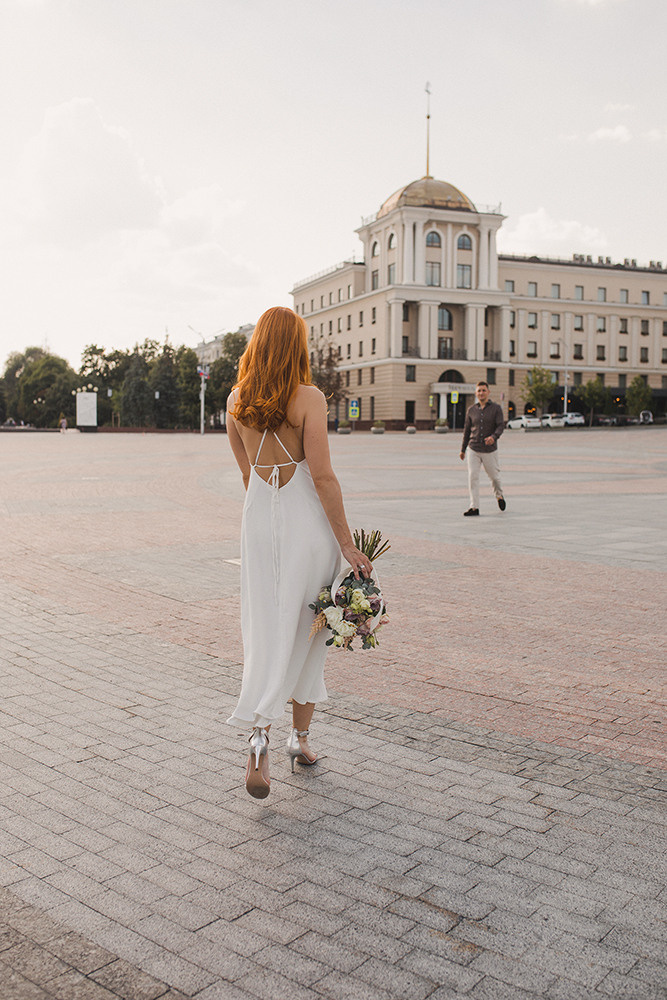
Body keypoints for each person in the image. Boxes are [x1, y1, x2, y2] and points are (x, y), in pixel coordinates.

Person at [226, 306, 372, 799]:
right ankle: (299, 738)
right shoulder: (308, 397)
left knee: (266, 629)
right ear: (296, 346)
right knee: (310, 629)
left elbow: (250, 479)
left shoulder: (234, 401)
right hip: (306, 526)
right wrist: (348, 544)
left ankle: (258, 737)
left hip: (258, 526)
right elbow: (323, 476)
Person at [459, 381, 506, 516]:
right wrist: (462, 449)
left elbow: (500, 426)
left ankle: (499, 496)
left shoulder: (496, 408)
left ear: (488, 392)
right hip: (473, 448)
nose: (481, 393)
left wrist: (493, 437)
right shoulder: (471, 410)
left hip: (489, 450)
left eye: (484, 390)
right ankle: (474, 507)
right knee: (472, 476)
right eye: (479, 391)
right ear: (476, 393)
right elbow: (467, 430)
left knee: (494, 477)